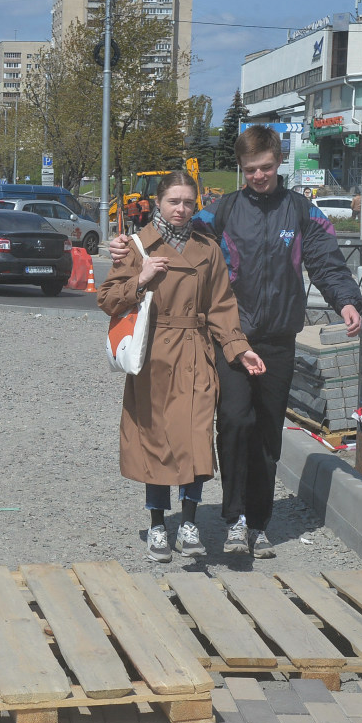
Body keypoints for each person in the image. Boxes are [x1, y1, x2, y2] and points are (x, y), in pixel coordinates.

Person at [109, 127, 362, 558]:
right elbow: (177, 229)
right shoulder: (222, 212)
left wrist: (347, 301)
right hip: (229, 336)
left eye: (265, 168)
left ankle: (258, 522)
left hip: (279, 338)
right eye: (250, 170)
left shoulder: (303, 212)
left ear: (278, 162)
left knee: (267, 432)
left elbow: (326, 262)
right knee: (233, 421)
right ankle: (234, 517)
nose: (259, 176)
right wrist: (125, 246)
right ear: (241, 169)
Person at [97, 172, 266, 563]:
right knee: (155, 440)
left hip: (196, 354)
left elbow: (223, 308)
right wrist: (140, 278)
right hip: (154, 356)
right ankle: (158, 525)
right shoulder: (137, 246)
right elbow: (107, 299)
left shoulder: (207, 250)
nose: (181, 209)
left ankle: (188, 524)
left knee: (195, 439)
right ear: (158, 201)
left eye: (189, 202)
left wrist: (240, 350)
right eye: (174, 201)